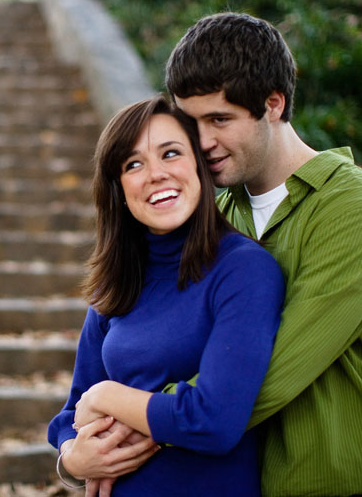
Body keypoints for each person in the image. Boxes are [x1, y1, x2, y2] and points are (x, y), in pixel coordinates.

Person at [159, 12, 362, 496]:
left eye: (219, 119)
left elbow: (265, 375)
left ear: (272, 104)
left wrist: (136, 424)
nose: (202, 142)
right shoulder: (214, 214)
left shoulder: (355, 212)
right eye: (190, 123)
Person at [47, 95, 284, 496]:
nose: (155, 174)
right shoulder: (117, 281)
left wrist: (107, 395)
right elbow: (71, 414)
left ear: (198, 164)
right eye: (133, 164)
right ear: (119, 188)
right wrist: (72, 459)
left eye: (170, 153)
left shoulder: (244, 270)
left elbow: (214, 420)